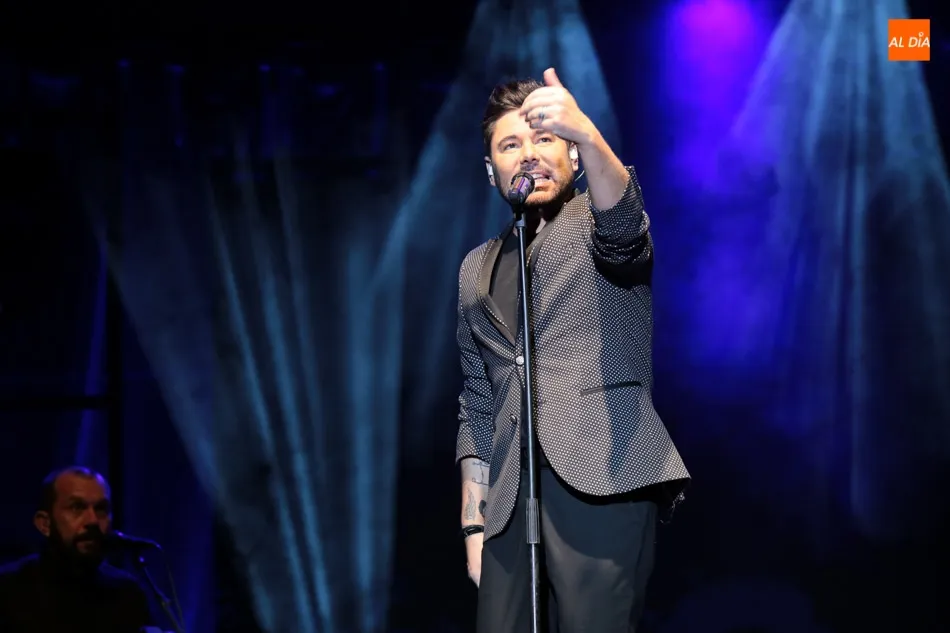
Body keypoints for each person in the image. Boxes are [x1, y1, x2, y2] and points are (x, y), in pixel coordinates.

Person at [455, 67, 691, 633]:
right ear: (491, 169)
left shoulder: (595, 220)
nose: (529, 155)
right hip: (508, 503)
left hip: (600, 474)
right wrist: (473, 525)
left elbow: (624, 226)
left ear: (575, 156)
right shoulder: (474, 269)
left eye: (545, 138)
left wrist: (586, 129)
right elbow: (478, 402)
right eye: (511, 145)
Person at [0, 466, 154, 633]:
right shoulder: (8, 589)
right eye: (77, 507)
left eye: (101, 509)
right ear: (45, 523)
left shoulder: (127, 593)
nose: (93, 521)